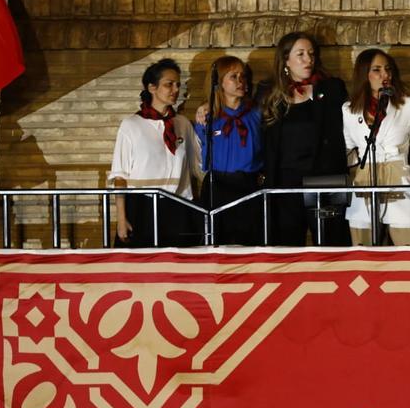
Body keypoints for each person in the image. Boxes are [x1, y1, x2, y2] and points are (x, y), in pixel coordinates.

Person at [260, 32, 350, 246]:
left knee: (331, 244)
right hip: (286, 184)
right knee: (287, 245)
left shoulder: (332, 88)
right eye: (300, 54)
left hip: (325, 180)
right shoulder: (269, 92)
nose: (308, 59)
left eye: (311, 53)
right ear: (286, 60)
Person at [108, 58, 202, 248]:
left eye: (177, 84)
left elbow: (199, 165)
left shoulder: (182, 123)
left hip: (179, 206)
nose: (176, 90)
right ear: (152, 88)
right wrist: (121, 218)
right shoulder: (131, 125)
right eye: (169, 84)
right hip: (142, 206)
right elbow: (119, 176)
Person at [342, 49, 410, 246]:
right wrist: (360, 160)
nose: (385, 75)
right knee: (362, 257)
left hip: (399, 184)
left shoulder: (409, 106)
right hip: (364, 186)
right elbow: (345, 151)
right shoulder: (349, 110)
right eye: (377, 70)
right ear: (364, 75)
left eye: (387, 69)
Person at [194, 56, 264, 246]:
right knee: (215, 245)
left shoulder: (257, 113)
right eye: (233, 76)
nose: (241, 81)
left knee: (251, 246)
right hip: (217, 186)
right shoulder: (207, 117)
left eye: (243, 76)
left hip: (249, 186)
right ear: (218, 82)